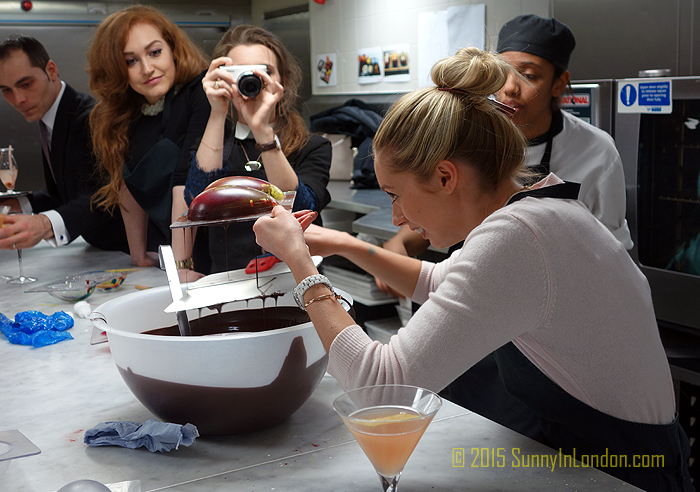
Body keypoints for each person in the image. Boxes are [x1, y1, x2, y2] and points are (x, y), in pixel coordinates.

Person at [252, 47, 692, 491]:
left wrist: (302, 266)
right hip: (599, 459)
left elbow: (381, 388)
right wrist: (343, 244)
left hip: (627, 474)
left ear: (445, 178)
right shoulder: (540, 208)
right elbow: (437, 282)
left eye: (394, 195)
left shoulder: (520, 237)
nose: (398, 218)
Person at [373, 14, 634, 441]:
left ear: (558, 83)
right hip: (477, 314)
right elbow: (442, 214)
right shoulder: (473, 142)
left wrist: (309, 278)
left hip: (550, 336)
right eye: (505, 72)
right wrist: (380, 243)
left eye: (528, 75)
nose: (510, 88)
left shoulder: (591, 156)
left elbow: (607, 253)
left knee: (529, 434)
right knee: (474, 432)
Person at [183, 25, 330, 275]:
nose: (251, 81)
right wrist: (217, 112)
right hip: (228, 283)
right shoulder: (214, 145)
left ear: (282, 81)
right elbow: (195, 206)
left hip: (297, 282)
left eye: (263, 72)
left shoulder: (313, 146)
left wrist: (262, 130)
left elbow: (299, 209)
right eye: (238, 73)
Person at [86, 5, 209, 269]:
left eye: (155, 52)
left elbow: (186, 185)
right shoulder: (124, 114)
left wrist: (182, 267)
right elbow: (127, 187)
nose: (147, 68)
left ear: (173, 48)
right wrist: (138, 255)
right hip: (172, 253)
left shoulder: (201, 91)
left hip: (211, 249)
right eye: (130, 61)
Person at [0, 35, 127, 252]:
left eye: (26, 84)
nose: (18, 99)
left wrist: (43, 224)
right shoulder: (50, 118)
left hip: (125, 249)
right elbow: (62, 193)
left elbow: (103, 197)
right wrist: (15, 205)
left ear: (51, 70)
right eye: (6, 90)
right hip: (97, 251)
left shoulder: (89, 118)